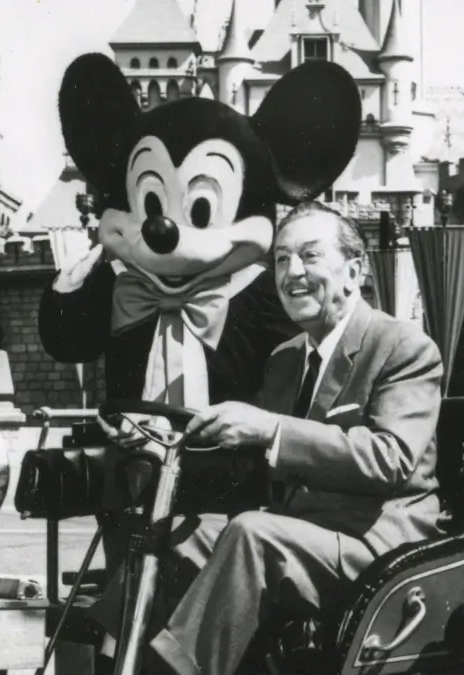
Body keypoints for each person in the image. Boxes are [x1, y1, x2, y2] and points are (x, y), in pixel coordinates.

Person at [91, 201, 445, 675]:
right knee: (174, 536)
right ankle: (115, 656)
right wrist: (155, 441)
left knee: (250, 533)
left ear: (354, 271)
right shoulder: (285, 358)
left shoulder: (403, 346)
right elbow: (250, 455)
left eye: (309, 256)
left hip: (376, 545)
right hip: (300, 533)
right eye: (280, 258)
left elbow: (391, 459)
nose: (292, 272)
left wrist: (271, 428)